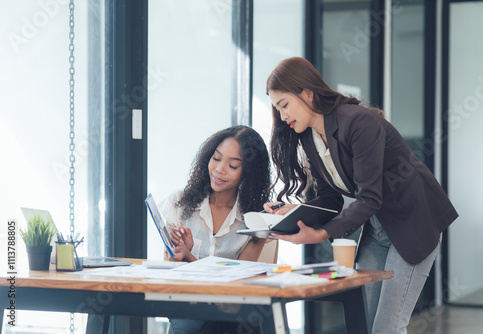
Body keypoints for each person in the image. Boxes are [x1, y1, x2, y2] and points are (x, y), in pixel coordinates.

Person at [263, 57, 458, 334]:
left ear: (307, 93)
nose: (282, 116)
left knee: (387, 327)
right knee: (363, 323)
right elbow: (330, 197)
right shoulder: (309, 137)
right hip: (378, 226)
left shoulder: (357, 122)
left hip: (415, 221)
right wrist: (293, 212)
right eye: (277, 108)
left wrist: (320, 234)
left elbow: (369, 198)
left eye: (284, 105)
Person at [159, 125, 271, 334]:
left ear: (248, 172)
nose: (219, 169)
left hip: (230, 310)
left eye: (233, 165)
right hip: (186, 303)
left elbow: (240, 280)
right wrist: (177, 256)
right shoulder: (178, 203)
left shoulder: (255, 220)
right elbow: (169, 271)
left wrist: (191, 258)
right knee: (189, 323)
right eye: (216, 158)